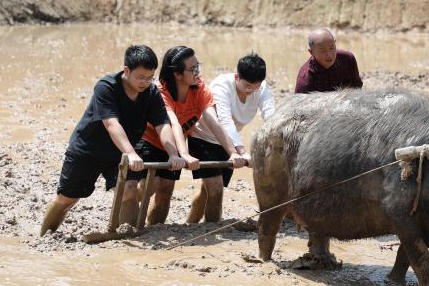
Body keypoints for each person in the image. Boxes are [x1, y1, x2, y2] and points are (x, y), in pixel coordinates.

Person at [40, 45, 186, 236]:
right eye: (140, 77)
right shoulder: (107, 86)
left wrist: (173, 153)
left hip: (119, 154)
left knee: (130, 190)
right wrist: (131, 153)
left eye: (150, 77)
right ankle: (44, 237)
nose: (145, 82)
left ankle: (126, 236)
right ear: (127, 71)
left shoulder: (151, 93)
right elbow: (111, 124)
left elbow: (162, 125)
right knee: (67, 199)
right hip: (88, 150)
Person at [132, 46, 247, 225]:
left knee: (166, 189)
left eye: (198, 66)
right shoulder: (161, 92)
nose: (197, 72)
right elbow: (174, 123)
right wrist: (183, 154)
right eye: (192, 69)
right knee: (148, 187)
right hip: (151, 141)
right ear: (177, 74)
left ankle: (154, 229)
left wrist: (232, 152)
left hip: (174, 146)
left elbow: (214, 121)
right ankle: (128, 212)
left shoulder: (199, 88)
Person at [191, 53, 275, 219]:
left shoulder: (261, 87)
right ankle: (214, 230)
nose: (251, 90)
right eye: (247, 86)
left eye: (256, 86)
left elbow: (270, 116)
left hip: (229, 142)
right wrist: (241, 152)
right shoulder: (221, 86)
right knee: (215, 189)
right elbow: (224, 121)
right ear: (237, 76)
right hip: (204, 137)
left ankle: (191, 224)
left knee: (207, 190)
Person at [294, 28, 363, 93]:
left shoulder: (347, 60)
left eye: (332, 47)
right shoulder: (305, 78)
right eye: (323, 50)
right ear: (311, 52)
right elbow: (300, 104)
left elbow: (357, 89)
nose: (330, 55)